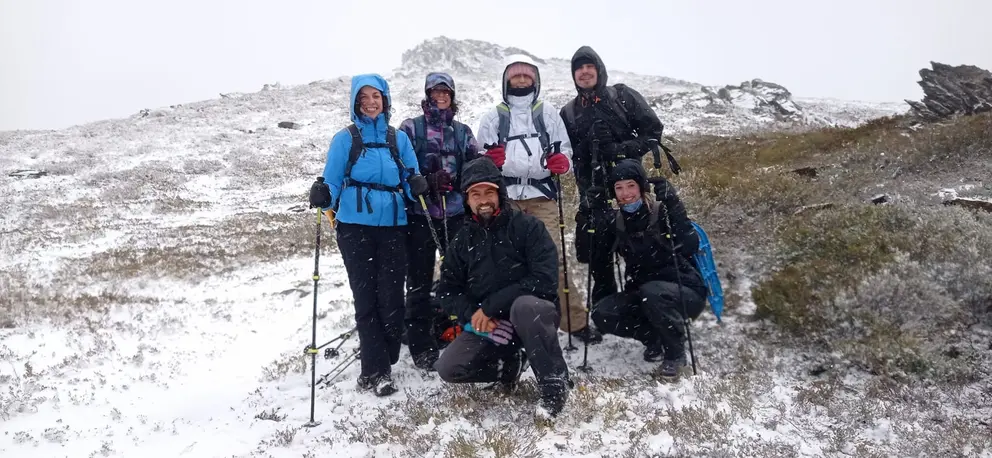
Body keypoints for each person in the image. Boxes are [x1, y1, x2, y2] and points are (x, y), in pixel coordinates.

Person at [475, 54, 602, 345]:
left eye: (526, 76)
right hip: (505, 199)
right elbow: (481, 158)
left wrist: (562, 163)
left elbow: (565, 151)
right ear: (506, 81)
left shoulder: (548, 114)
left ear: (535, 80)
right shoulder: (494, 117)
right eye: (515, 76)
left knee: (552, 260)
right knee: (505, 263)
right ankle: (512, 321)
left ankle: (574, 322)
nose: (521, 81)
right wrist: (488, 161)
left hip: (542, 196)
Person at [315, 73, 428, 396]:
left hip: (393, 226)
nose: (370, 102)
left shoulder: (397, 139)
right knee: (366, 298)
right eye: (363, 98)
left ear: (385, 99)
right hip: (354, 228)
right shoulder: (345, 139)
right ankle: (375, 371)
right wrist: (324, 193)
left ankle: (384, 354)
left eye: (375, 96)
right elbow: (333, 180)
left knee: (392, 298)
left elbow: (409, 176)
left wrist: (416, 184)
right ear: (354, 103)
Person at [433, 157, 570, 420]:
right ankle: (508, 365)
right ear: (467, 199)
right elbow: (448, 291)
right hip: (491, 325)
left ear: (500, 193)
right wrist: (475, 318)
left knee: (525, 306)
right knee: (449, 368)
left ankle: (554, 384)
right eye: (476, 194)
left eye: (489, 192)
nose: (483, 200)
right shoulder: (461, 240)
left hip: (533, 316)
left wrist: (490, 306)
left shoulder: (528, 227)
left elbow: (545, 279)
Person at [559, 46, 665, 307]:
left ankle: (648, 308)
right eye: (578, 69)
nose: (584, 73)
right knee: (598, 257)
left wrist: (621, 151)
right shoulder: (569, 112)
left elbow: (653, 132)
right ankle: (606, 310)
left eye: (589, 67)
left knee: (640, 253)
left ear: (599, 70)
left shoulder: (622, 96)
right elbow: (566, 152)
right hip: (593, 195)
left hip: (629, 190)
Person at [591, 159, 706, 380]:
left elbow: (690, 244)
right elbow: (593, 257)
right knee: (602, 312)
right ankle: (654, 338)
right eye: (619, 188)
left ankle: (675, 353)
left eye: (631, 186)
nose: (625, 194)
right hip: (644, 293)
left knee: (653, 293)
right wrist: (591, 217)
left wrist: (674, 205)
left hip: (685, 291)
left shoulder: (662, 211)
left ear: (642, 187)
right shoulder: (617, 221)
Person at [397, 72, 481, 371]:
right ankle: (421, 344)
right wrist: (425, 181)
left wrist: (459, 181)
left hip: (456, 215)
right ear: (428, 94)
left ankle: (464, 333)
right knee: (418, 281)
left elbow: (476, 167)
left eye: (446, 91)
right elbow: (399, 166)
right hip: (419, 216)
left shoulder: (462, 132)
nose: (441, 95)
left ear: (452, 95)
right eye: (436, 91)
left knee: (461, 276)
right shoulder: (410, 128)